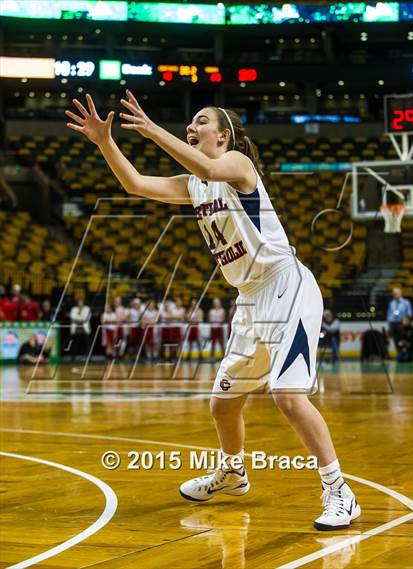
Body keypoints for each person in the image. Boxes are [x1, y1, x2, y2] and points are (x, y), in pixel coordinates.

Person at [66, 91, 360, 530]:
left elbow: (206, 165)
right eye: (191, 122)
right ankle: (233, 473)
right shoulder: (194, 184)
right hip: (249, 297)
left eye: (200, 121)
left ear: (223, 136)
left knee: (288, 396)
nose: (192, 125)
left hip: (286, 284)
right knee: (222, 404)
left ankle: (340, 491)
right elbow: (136, 185)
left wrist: (150, 128)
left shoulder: (238, 166)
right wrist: (106, 142)